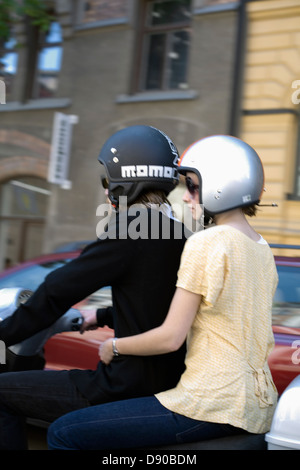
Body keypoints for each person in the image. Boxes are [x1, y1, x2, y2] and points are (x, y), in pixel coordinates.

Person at [47, 135, 279, 450]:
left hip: (211, 402)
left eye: (193, 187)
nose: (185, 198)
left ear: (224, 185)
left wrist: (115, 346)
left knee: (64, 432)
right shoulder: (261, 247)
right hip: (258, 403)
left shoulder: (207, 242)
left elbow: (171, 337)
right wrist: (102, 314)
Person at [0, 125, 188, 450]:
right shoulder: (179, 233)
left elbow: (56, 290)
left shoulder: (131, 231)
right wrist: (100, 314)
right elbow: (157, 306)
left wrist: (3, 335)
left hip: (123, 386)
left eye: (107, 181)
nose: (105, 192)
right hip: (165, 382)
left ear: (125, 180)